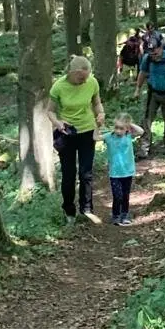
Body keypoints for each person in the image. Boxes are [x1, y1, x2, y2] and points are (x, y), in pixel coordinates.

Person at [47, 56, 105, 223]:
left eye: (86, 78)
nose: (83, 81)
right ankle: (69, 211)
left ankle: (87, 209)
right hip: (67, 133)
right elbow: (49, 111)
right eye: (81, 78)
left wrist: (100, 113)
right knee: (68, 173)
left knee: (86, 173)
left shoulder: (92, 83)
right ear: (72, 73)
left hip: (88, 131)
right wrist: (57, 123)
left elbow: (97, 103)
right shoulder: (58, 86)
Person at [135, 32, 165, 157]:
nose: (154, 56)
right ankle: (144, 148)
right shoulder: (147, 58)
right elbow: (142, 73)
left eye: (155, 53)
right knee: (146, 119)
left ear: (161, 47)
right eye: (151, 53)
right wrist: (137, 89)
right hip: (153, 93)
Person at [99, 113, 144, 225]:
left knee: (125, 195)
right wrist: (97, 125)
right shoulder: (109, 136)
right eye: (116, 127)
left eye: (121, 128)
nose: (118, 131)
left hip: (128, 171)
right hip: (115, 173)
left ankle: (125, 215)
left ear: (127, 129)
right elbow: (95, 138)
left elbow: (141, 131)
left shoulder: (129, 135)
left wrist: (130, 124)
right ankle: (116, 215)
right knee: (117, 195)